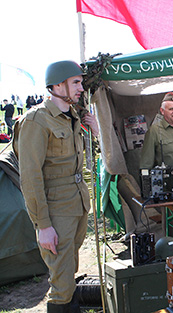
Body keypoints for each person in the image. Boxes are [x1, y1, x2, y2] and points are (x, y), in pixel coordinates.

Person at [13, 60, 99, 313]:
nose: (81, 88)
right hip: (55, 210)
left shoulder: (72, 118)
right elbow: (30, 177)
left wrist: (95, 130)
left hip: (77, 205)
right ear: (57, 85)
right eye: (76, 82)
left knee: (68, 273)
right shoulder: (36, 121)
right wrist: (43, 225)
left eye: (80, 82)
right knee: (61, 283)